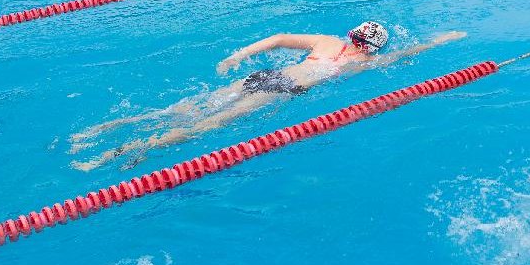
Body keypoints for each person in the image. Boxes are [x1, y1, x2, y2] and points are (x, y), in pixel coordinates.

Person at [70, 23, 467, 170]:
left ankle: (98, 133)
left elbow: (278, 37)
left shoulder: (326, 41)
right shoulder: (363, 64)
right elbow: (409, 54)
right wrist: (442, 41)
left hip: (268, 74)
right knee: (210, 124)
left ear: (352, 35)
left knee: (185, 108)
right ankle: (129, 151)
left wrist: (237, 55)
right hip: (284, 88)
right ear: (372, 47)